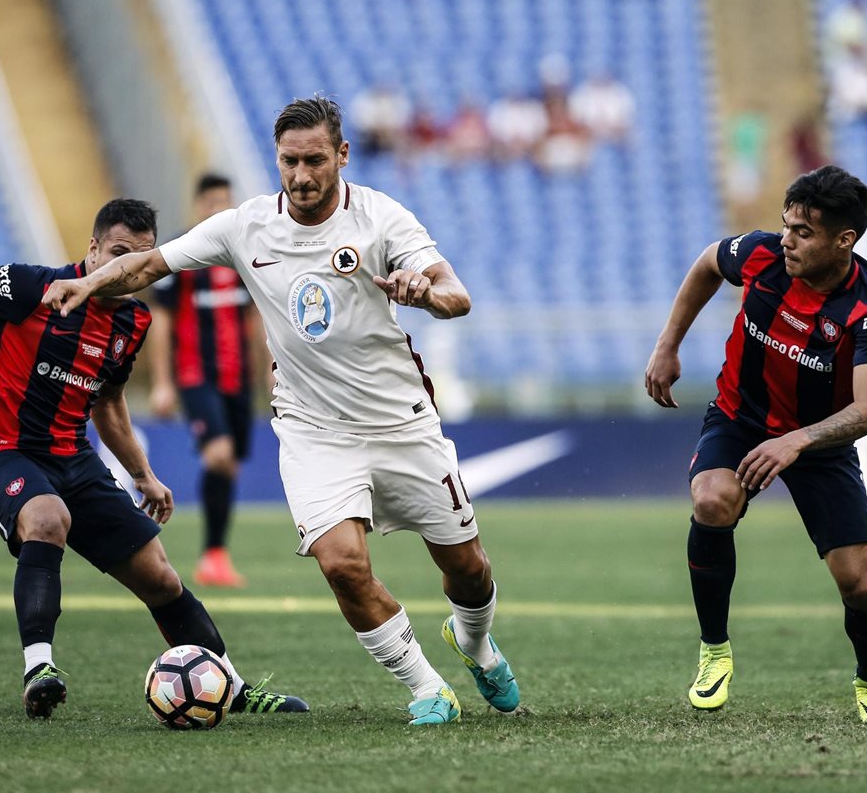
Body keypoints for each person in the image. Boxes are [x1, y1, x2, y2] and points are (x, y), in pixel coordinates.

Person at [41, 97, 520, 726]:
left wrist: (425, 293)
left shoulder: (381, 218)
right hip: (312, 428)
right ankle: (426, 687)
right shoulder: (245, 226)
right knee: (342, 564)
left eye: (314, 160)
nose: (300, 176)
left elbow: (456, 294)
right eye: (289, 161)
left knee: (467, 566)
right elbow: (149, 263)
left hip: (400, 421)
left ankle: (475, 642)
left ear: (341, 155)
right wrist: (86, 282)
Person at [0, 199, 307, 720]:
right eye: (116, 253)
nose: (122, 269)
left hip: (73, 460)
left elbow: (107, 403)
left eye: (139, 258)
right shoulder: (31, 288)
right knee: (47, 517)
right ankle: (39, 667)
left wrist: (143, 476)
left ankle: (234, 689)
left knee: (160, 576)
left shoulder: (132, 321)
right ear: (92, 248)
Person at [644, 165, 867, 724]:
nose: (786, 240)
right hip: (741, 419)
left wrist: (797, 442)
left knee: (860, 580)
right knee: (712, 499)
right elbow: (708, 262)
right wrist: (668, 345)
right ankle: (715, 650)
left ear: (844, 240)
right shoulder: (763, 256)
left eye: (803, 233)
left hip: (819, 440)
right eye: (786, 225)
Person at [148, 174, 264, 587]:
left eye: (225, 202)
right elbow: (160, 321)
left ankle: (215, 556)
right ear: (199, 205)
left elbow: (255, 320)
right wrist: (162, 382)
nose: (218, 209)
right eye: (211, 201)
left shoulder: (244, 255)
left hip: (239, 379)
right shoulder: (181, 256)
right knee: (218, 455)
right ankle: (210, 556)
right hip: (195, 376)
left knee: (229, 464)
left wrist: (270, 374)